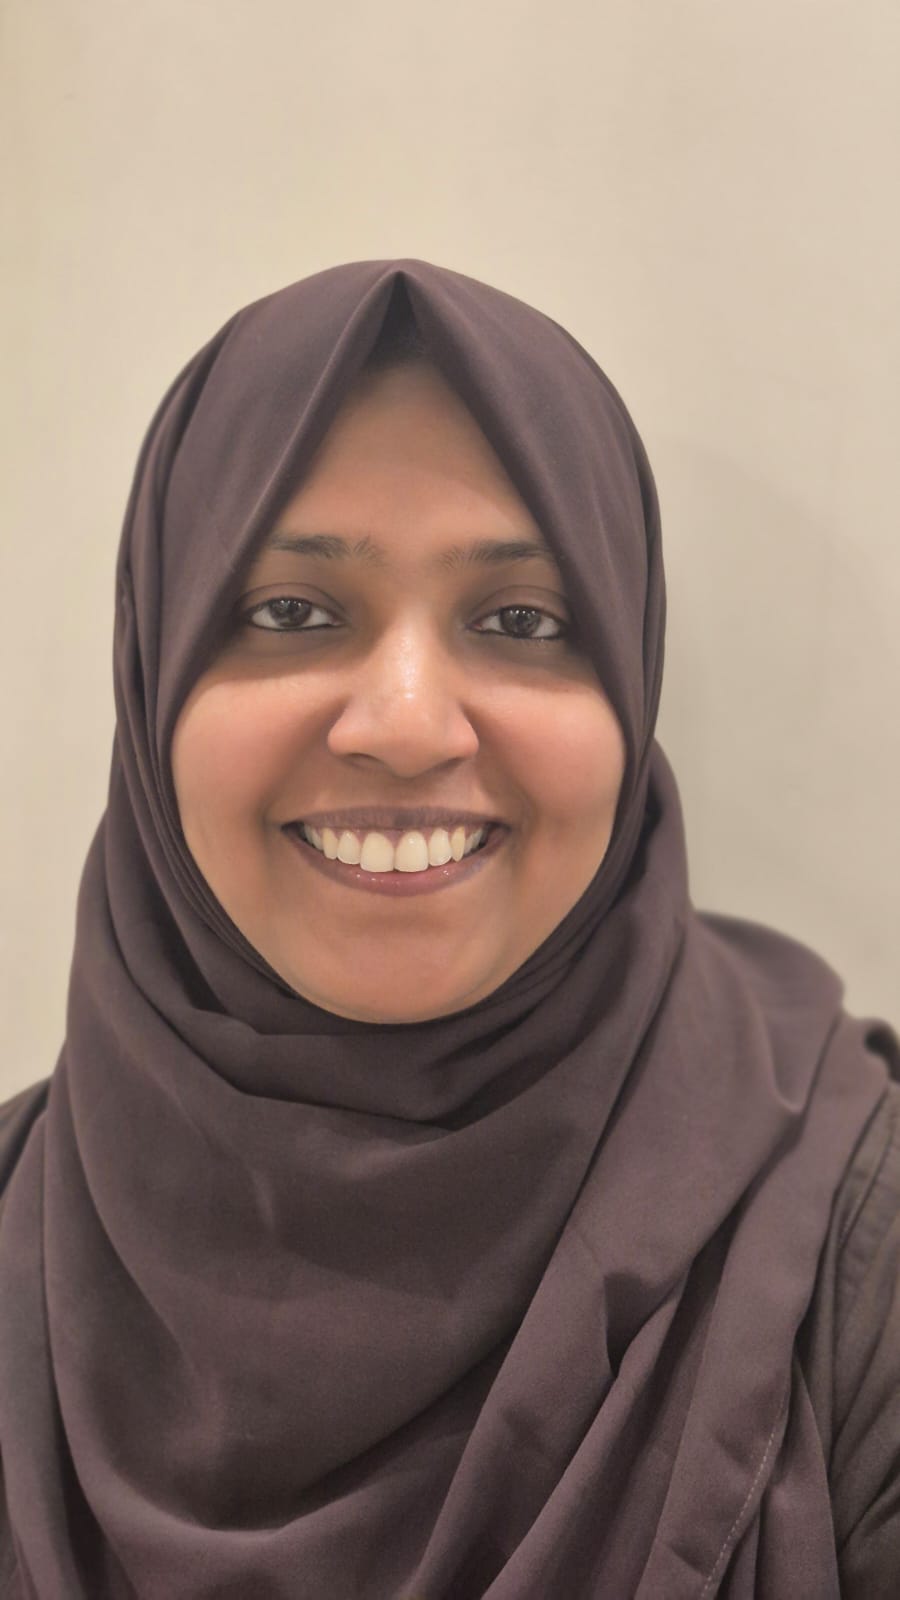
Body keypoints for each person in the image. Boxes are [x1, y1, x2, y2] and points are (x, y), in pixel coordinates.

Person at [0, 260, 896, 1599]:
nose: (409, 726)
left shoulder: (855, 1257)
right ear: (155, 672)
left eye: (521, 620)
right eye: (291, 612)